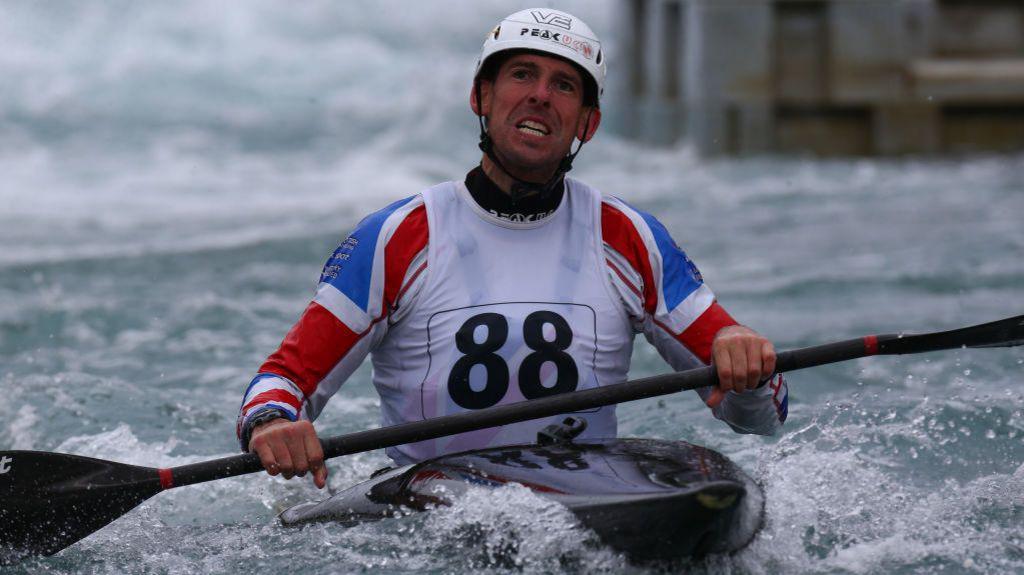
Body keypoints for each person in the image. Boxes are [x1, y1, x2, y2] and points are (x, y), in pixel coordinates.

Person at [236, 8, 788, 489]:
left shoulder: (628, 237)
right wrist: (272, 424)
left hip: (586, 497)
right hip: (433, 510)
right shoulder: (397, 238)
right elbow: (282, 380)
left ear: (588, 125)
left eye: (564, 85)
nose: (541, 96)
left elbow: (760, 417)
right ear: (481, 96)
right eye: (522, 74)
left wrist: (747, 365)